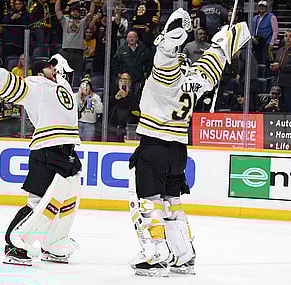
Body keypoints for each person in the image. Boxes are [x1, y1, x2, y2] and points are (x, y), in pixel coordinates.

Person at [127, 8, 250, 277]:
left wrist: (174, 30)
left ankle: (156, 253)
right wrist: (229, 35)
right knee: (172, 203)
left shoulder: (164, 76)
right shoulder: (197, 79)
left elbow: (166, 51)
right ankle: (184, 254)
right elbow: (216, 57)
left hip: (155, 146)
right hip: (178, 152)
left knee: (147, 203)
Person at [0, 41, 81, 266]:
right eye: (47, 66)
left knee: (65, 202)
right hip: (46, 150)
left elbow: (68, 75)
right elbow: (11, 86)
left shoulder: (62, 87)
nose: (52, 68)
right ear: (40, 71)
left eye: (53, 65)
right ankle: (14, 244)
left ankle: (53, 241)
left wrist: (62, 67)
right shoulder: (37, 85)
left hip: (69, 149)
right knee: (38, 202)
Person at [55, 0, 95, 73]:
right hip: (65, 52)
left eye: (77, 11)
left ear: (80, 13)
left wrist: (92, 2)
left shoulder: (83, 23)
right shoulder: (65, 21)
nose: (75, 13)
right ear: (70, 12)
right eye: (73, 11)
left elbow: (91, 14)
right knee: (63, 74)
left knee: (77, 75)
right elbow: (57, 11)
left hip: (78, 54)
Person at [77, 74, 103, 141]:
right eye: (83, 85)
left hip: (90, 124)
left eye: (87, 85)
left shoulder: (95, 97)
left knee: (88, 142)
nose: (85, 87)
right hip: (78, 123)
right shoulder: (75, 96)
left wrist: (95, 102)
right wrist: (78, 97)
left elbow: (100, 111)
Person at [270, 30, 291, 112]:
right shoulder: (280, 50)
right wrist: (273, 67)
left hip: (288, 84)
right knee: (278, 106)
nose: (288, 38)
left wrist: (280, 66)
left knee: (288, 105)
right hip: (278, 83)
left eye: (290, 36)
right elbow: (277, 63)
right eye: (286, 36)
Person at [252, 0, 279, 65]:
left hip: (266, 43)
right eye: (260, 6)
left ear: (266, 8)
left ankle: (263, 74)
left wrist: (271, 43)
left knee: (264, 62)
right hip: (256, 43)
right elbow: (252, 30)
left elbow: (275, 31)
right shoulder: (255, 18)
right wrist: (252, 38)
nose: (261, 8)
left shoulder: (271, 17)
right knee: (256, 62)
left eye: (263, 6)